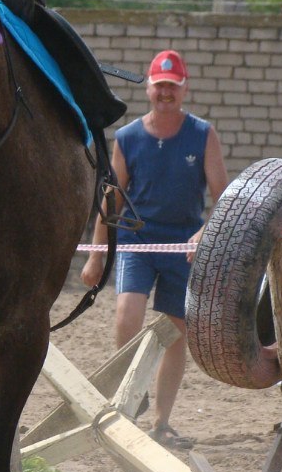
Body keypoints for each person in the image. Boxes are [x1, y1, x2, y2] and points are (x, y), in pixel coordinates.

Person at [81, 49, 228, 450]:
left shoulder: (202, 134)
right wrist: (96, 254)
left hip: (184, 245)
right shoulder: (128, 138)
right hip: (137, 241)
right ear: (148, 88)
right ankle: (134, 391)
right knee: (127, 313)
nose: (165, 93)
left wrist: (205, 233)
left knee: (174, 332)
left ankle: (161, 421)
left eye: (172, 87)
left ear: (184, 89)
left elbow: (223, 198)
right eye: (159, 86)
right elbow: (112, 198)